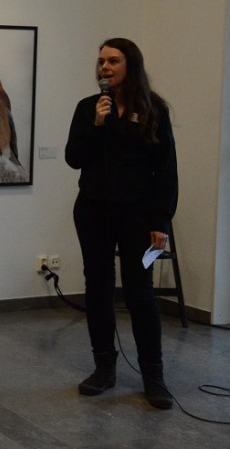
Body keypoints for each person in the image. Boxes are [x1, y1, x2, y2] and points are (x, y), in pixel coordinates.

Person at [65, 38, 178, 410]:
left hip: (137, 215)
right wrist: (97, 124)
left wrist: (161, 220)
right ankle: (104, 368)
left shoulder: (153, 109)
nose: (105, 67)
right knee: (97, 286)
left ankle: (153, 376)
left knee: (139, 293)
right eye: (100, 61)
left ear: (131, 65)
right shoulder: (88, 108)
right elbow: (73, 158)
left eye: (113, 61)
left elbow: (165, 170)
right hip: (94, 210)